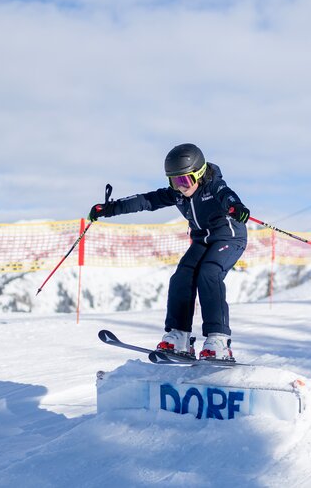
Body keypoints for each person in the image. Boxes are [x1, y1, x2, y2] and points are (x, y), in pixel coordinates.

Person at [88, 143, 249, 361]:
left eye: (184, 180)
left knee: (209, 274)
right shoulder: (177, 194)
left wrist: (235, 207)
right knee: (181, 277)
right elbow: (146, 200)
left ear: (199, 173)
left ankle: (218, 340)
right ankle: (179, 336)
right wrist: (110, 208)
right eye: (174, 181)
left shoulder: (213, 187)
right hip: (202, 239)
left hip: (229, 237)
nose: (180, 187)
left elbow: (227, 195)